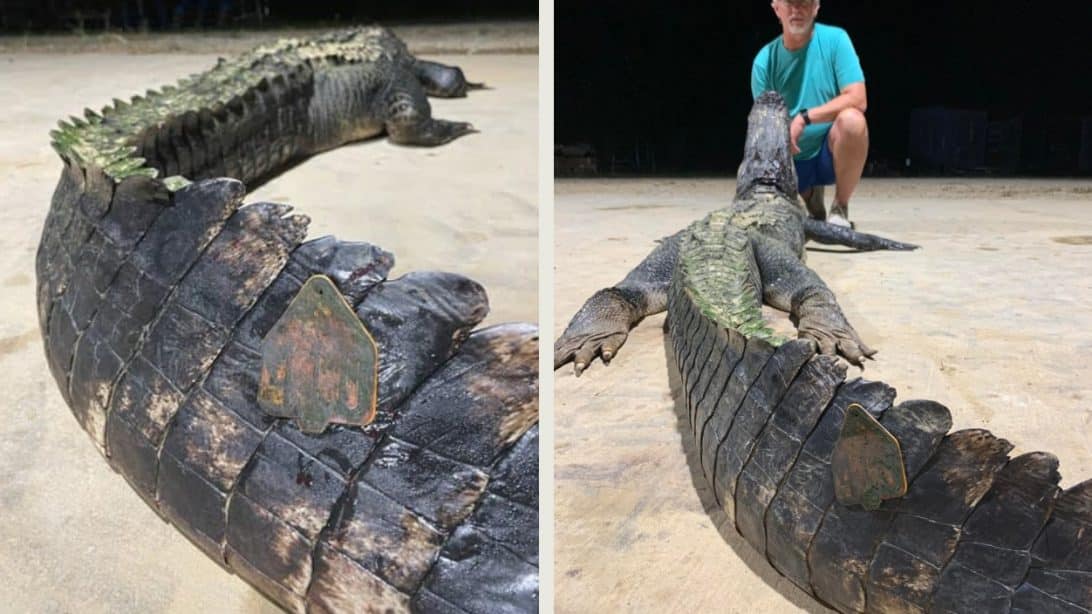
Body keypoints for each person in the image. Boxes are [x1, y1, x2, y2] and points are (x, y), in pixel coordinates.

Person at [751, 0, 867, 227]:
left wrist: (804, 118)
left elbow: (858, 98)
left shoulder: (836, 40)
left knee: (853, 121)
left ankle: (840, 208)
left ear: (815, 7)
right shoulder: (764, 62)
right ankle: (809, 196)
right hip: (791, 161)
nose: (797, 9)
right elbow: (764, 128)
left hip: (829, 153)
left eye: (804, 2)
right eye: (790, 3)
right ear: (776, 8)